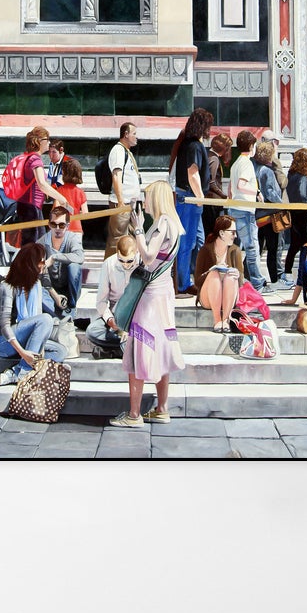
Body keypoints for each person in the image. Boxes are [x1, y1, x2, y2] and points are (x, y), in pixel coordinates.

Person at [110, 178, 184, 428]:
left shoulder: (162, 222)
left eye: (148, 196)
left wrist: (139, 228)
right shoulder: (174, 224)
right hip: (163, 295)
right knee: (162, 349)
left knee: (140, 350)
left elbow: (148, 255)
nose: (146, 201)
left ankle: (134, 414)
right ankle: (162, 408)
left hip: (150, 296)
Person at [0, 242, 67, 386]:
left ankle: (15, 371)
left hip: (27, 340)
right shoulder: (7, 287)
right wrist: (23, 353)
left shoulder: (36, 285)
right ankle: (25, 372)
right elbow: (4, 326)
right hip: (5, 342)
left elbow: (38, 323)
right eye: (41, 261)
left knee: (60, 352)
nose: (44, 265)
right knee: (46, 319)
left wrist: (41, 348)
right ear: (30, 263)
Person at [169, 108, 211, 293]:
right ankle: (182, 283)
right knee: (186, 243)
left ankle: (185, 280)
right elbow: (192, 172)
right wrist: (200, 197)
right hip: (189, 197)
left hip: (185, 196)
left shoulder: (187, 143)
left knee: (193, 240)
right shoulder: (194, 145)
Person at [88, 232, 140, 359]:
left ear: (137, 253)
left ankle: (114, 352)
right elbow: (101, 301)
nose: (125, 264)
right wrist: (111, 321)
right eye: (121, 260)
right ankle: (127, 348)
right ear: (116, 253)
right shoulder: (109, 264)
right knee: (92, 331)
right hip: (115, 317)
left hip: (137, 318)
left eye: (129, 261)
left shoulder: (144, 265)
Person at [226, 129, 266, 291]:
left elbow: (230, 188)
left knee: (233, 247)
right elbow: (240, 185)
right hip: (245, 210)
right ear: (251, 146)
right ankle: (257, 282)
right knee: (252, 248)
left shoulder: (236, 163)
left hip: (234, 208)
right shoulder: (246, 164)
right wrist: (256, 193)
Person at [193, 215, 244, 332]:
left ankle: (225, 320)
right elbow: (197, 281)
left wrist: (237, 275)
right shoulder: (205, 250)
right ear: (221, 233)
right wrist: (211, 271)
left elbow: (241, 280)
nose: (235, 236)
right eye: (232, 232)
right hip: (208, 298)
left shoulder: (235, 250)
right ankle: (217, 320)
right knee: (214, 274)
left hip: (229, 297)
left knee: (231, 276)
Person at [104, 121, 143, 258]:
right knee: (117, 240)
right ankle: (110, 269)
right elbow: (116, 176)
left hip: (130, 203)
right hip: (122, 203)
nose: (136, 137)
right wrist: (120, 202)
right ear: (126, 134)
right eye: (134, 134)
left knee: (130, 238)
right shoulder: (118, 150)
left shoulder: (126, 152)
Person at [20, 125, 68, 237]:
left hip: (28, 206)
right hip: (32, 207)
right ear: (40, 141)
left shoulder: (28, 156)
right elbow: (42, 184)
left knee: (35, 244)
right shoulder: (35, 159)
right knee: (37, 244)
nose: (49, 142)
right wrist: (61, 198)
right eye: (47, 139)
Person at [41, 205, 84, 319]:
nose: (58, 228)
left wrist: (55, 257)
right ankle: (53, 313)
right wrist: (54, 295)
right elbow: (38, 269)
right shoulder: (42, 242)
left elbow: (80, 257)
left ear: (68, 226)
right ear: (49, 225)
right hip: (50, 289)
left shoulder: (72, 238)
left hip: (68, 287)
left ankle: (71, 307)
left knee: (75, 267)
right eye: (54, 224)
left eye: (62, 225)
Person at [254, 140, 285, 288]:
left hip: (258, 214)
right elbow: (271, 193)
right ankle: (274, 278)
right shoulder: (267, 171)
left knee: (258, 246)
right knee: (273, 248)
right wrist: (282, 205)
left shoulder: (254, 168)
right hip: (270, 215)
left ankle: (250, 273)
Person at [282, 148, 307, 282]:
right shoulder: (303, 177)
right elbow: (303, 196)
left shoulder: (291, 175)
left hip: (294, 212)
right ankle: (305, 272)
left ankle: (288, 271)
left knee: (295, 245)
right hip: (303, 214)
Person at [203, 131, 231, 240]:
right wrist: (223, 195)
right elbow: (212, 182)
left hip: (209, 201)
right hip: (213, 203)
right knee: (213, 231)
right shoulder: (214, 159)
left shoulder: (208, 155)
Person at [57, 156, 87, 238]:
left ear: (63, 173)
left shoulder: (59, 190)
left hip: (62, 228)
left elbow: (55, 211)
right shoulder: (81, 192)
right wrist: (76, 212)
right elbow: (85, 213)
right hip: (77, 229)